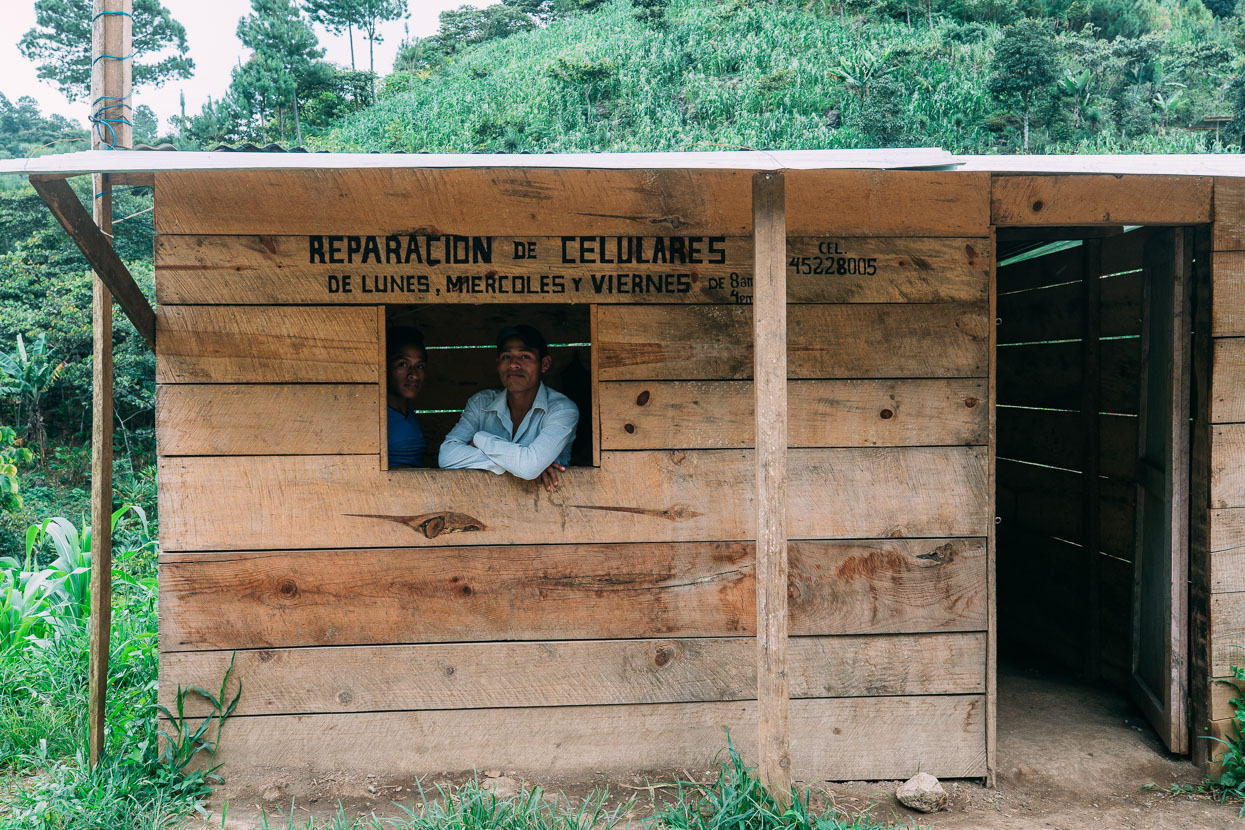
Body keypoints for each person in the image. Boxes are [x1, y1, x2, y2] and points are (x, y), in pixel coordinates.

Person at [438, 324, 578, 491]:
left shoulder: (562, 410)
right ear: (498, 364)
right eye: (506, 357)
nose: (513, 365)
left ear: (544, 364)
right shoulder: (480, 403)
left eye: (525, 356)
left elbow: (528, 468)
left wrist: (479, 439)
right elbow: (446, 456)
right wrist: (518, 465)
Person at [386, 326, 428, 468]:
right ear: (385, 366)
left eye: (420, 366)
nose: (414, 375)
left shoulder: (410, 416)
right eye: (403, 364)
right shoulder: (377, 418)